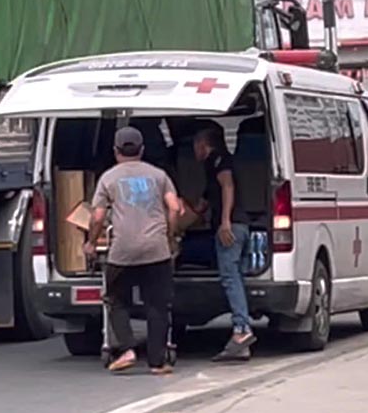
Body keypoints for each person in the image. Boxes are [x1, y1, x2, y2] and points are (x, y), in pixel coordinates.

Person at [85, 126, 182, 375]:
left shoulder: (108, 178)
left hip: (122, 250)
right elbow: (175, 208)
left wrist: (91, 243)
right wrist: (170, 236)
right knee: (157, 306)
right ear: (142, 150)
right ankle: (157, 362)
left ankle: (127, 349)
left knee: (115, 300)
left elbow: (97, 217)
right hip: (156, 249)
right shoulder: (159, 175)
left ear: (116, 151)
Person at [189, 125, 257, 362]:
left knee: (230, 278)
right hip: (241, 227)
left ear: (203, 144)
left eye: (195, 145)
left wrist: (225, 221)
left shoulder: (219, 160)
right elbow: (202, 204)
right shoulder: (211, 168)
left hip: (233, 228)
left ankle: (241, 330)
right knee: (236, 276)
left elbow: (228, 186)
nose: (193, 150)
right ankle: (242, 341)